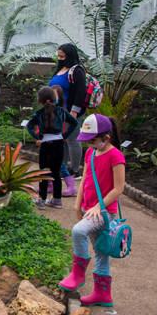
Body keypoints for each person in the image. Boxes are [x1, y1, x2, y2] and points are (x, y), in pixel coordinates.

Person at [58, 114, 124, 308]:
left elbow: (119, 188)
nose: (89, 144)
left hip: (104, 213)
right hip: (89, 210)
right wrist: (78, 205)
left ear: (106, 138)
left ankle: (77, 274)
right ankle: (103, 295)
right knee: (100, 252)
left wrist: (98, 206)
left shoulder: (116, 156)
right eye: (86, 141)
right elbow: (86, 179)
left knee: (78, 231)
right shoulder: (90, 154)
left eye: (92, 140)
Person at [26, 86, 79, 209]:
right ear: (55, 98)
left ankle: (42, 200)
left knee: (43, 172)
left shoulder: (39, 114)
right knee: (56, 172)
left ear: (39, 99)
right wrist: (65, 135)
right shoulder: (61, 111)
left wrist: (37, 136)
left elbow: (29, 126)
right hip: (59, 143)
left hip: (46, 144)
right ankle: (57, 200)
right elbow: (74, 122)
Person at [49, 43, 87, 179]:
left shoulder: (77, 71)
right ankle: (62, 167)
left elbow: (81, 91)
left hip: (71, 112)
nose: (59, 58)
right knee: (62, 140)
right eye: (58, 56)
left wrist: (74, 111)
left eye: (62, 56)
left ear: (69, 56)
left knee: (72, 140)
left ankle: (75, 170)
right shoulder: (60, 69)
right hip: (59, 112)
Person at [50, 84, 78, 196]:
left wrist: (65, 136)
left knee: (60, 164)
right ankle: (49, 185)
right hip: (48, 141)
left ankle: (71, 186)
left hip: (56, 141)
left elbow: (74, 122)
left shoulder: (60, 111)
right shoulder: (49, 110)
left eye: (55, 95)